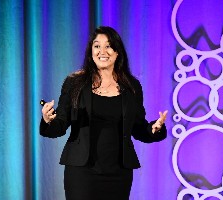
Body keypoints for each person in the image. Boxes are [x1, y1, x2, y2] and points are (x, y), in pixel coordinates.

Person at [40, 26, 168, 200]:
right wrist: (48, 120)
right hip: (82, 172)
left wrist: (154, 128)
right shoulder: (75, 83)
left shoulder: (132, 86)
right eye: (97, 46)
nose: (102, 51)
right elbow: (61, 125)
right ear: (91, 51)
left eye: (108, 46)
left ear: (117, 52)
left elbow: (138, 127)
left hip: (119, 172)